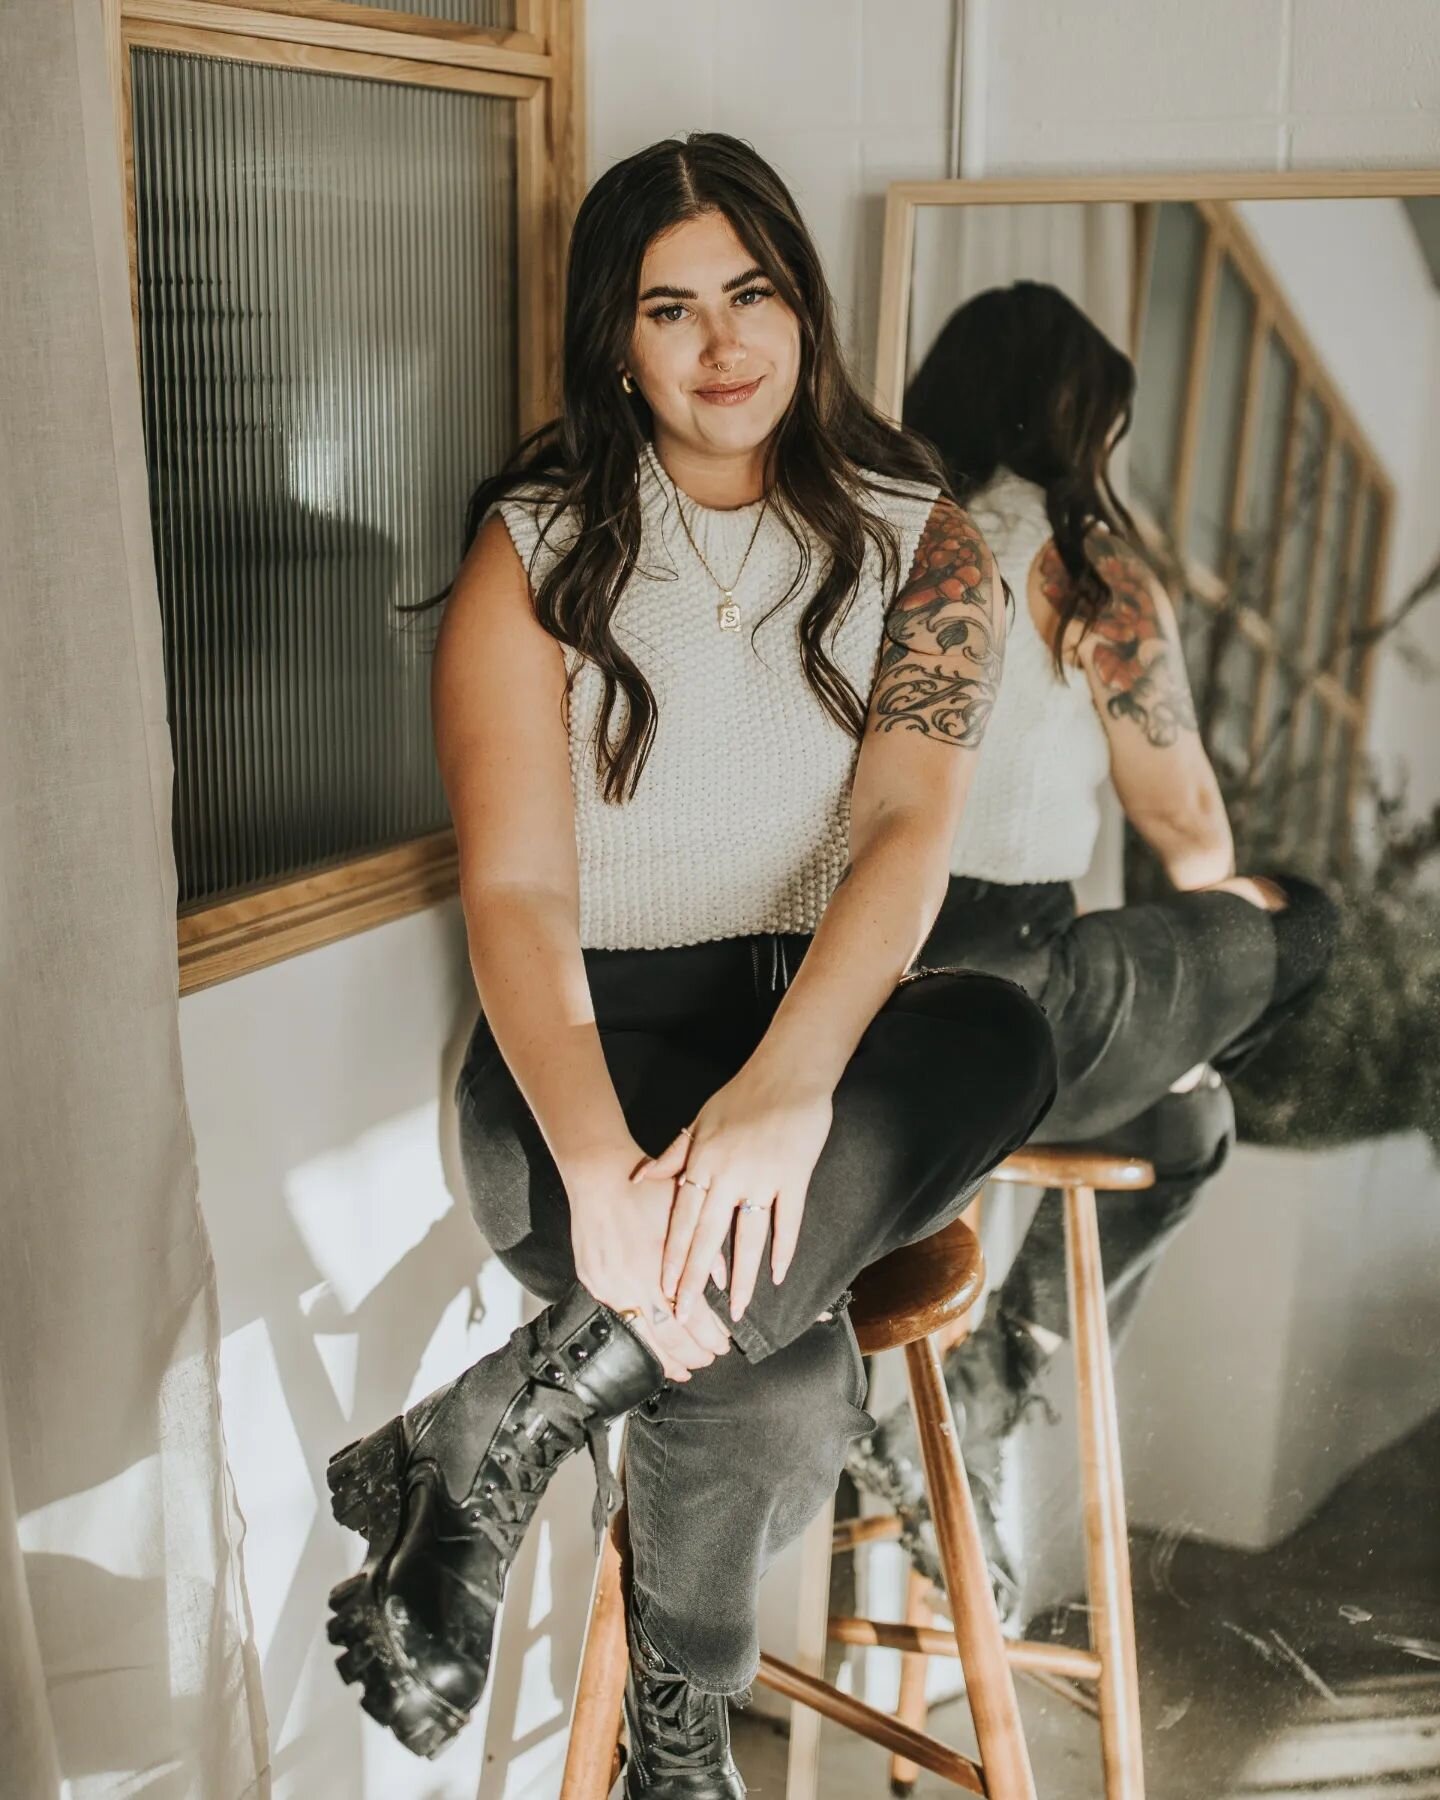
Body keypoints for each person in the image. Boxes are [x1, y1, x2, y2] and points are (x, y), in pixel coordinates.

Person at [322, 137, 1058, 1793]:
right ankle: (678, 1723)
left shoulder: (921, 540)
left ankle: (493, 1431)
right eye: (672, 309)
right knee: (785, 1389)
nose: (724, 344)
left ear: (804, 305)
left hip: (812, 1039)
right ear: (618, 338)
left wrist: (784, 1096)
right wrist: (601, 1167)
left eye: (754, 293)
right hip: (585, 1055)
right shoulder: (537, 548)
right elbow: (512, 895)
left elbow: (902, 841)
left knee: (1003, 1032)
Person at [846, 281, 1340, 1621]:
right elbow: (1186, 824)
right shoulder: (1087, 573)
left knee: (1184, 1116)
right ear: (1076, 425)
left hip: (840, 1007)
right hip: (1012, 1000)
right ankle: (994, 1390)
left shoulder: (857, 534)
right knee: (1295, 936)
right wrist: (1195, 1027)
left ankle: (917, 1427)